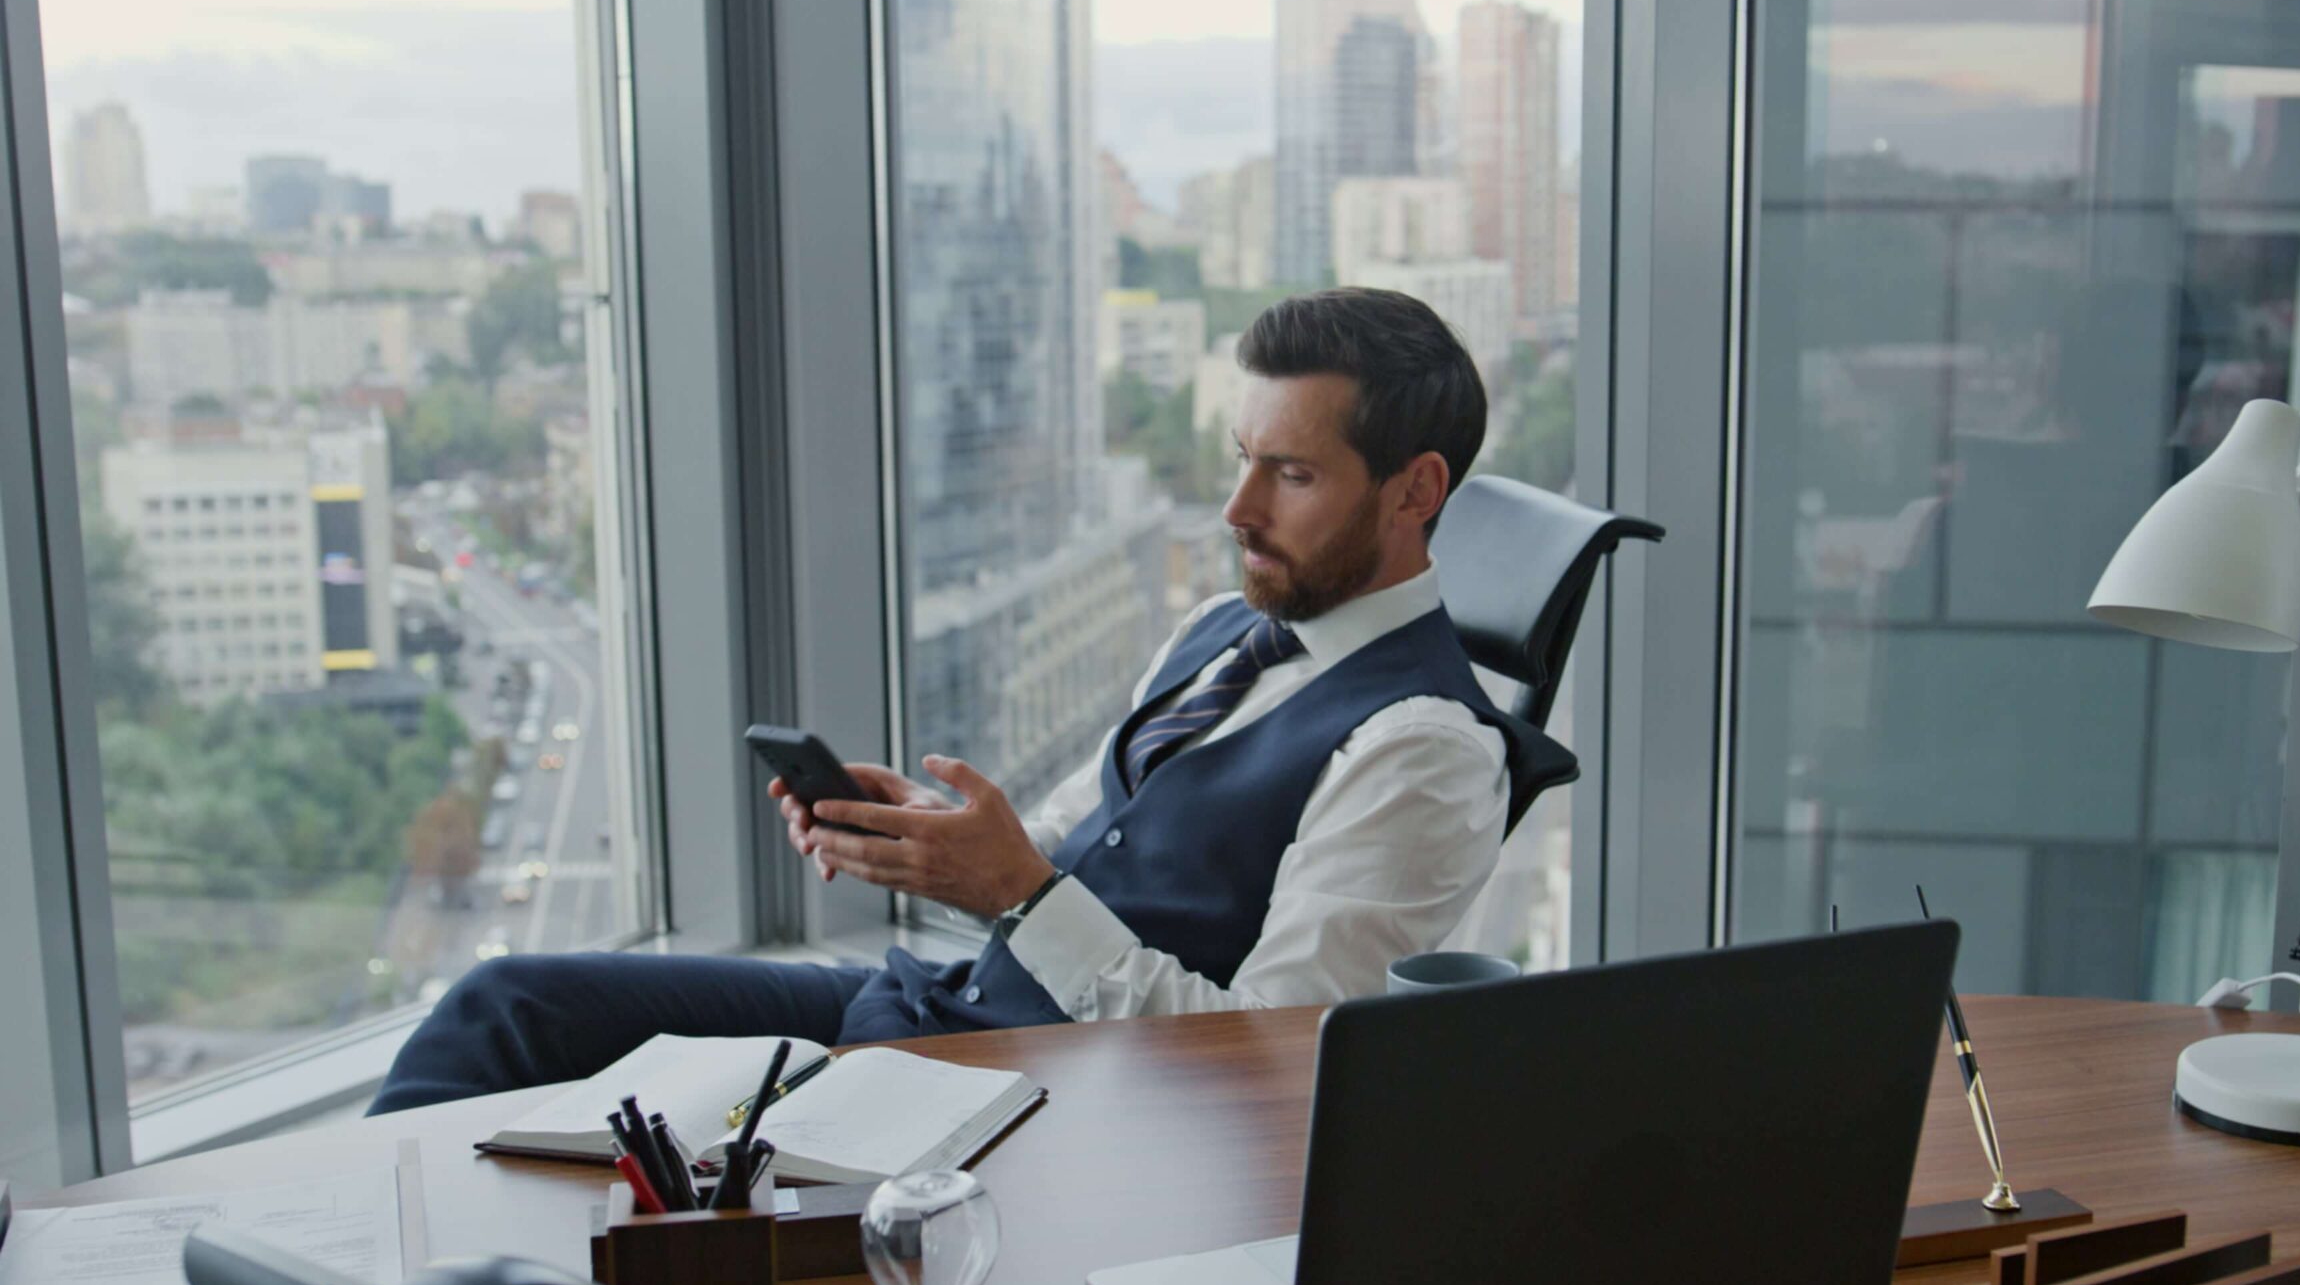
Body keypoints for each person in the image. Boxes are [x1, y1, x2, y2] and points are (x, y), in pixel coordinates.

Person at [370, 288, 1522, 1114]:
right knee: (504, 1005)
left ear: (1415, 490)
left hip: (1051, 1099)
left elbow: (1270, 1057)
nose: (1234, 509)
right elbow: (1070, 842)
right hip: (940, 1011)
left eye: (1292, 475)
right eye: (1240, 459)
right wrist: (927, 836)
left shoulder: (1424, 751)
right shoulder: (1221, 633)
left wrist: (1017, 894)